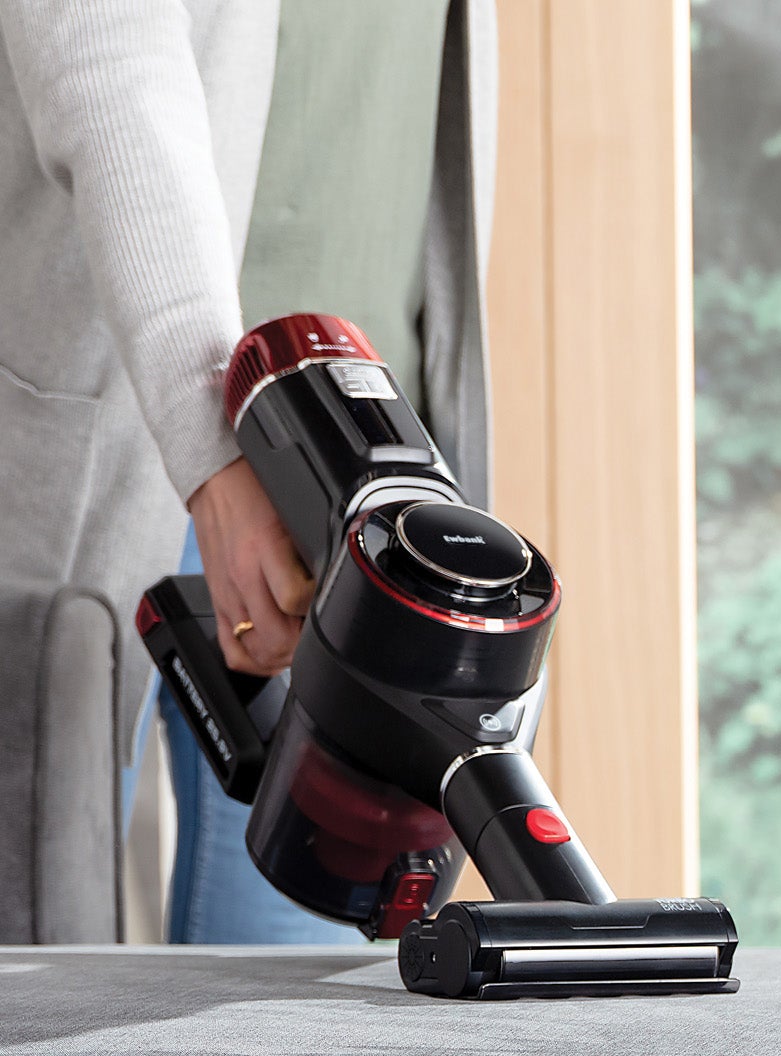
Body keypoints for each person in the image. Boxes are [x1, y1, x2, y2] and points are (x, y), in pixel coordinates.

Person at [0, 1, 498, 941]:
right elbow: (102, 42)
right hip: (146, 418)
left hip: (367, 465)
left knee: (288, 1034)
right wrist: (215, 444)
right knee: (38, 977)